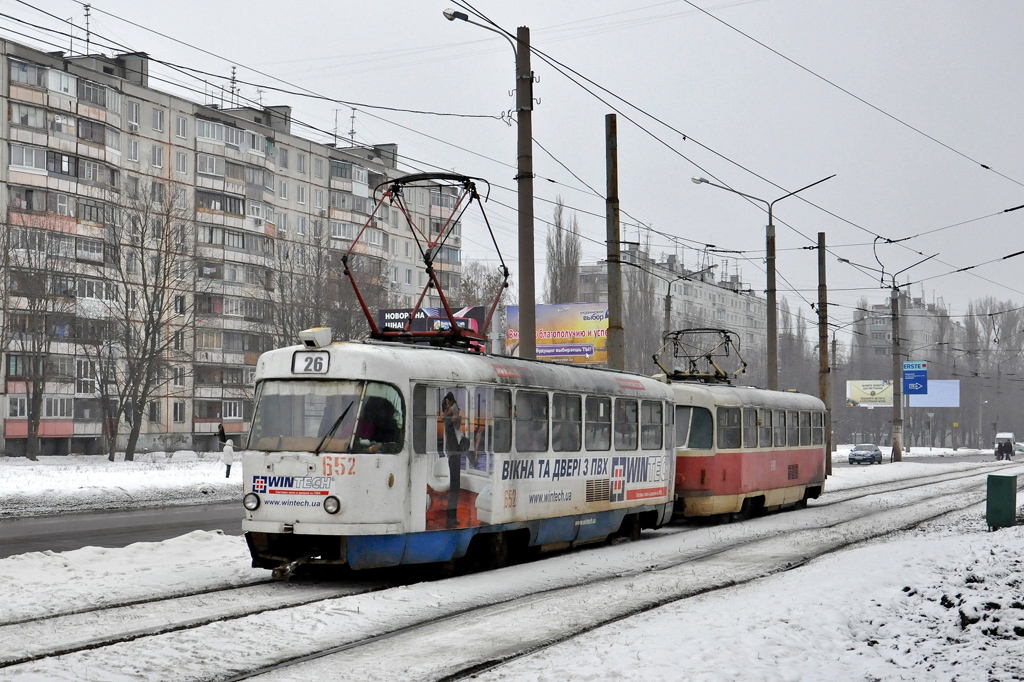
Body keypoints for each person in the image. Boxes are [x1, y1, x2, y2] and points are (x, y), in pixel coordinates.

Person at [440, 391, 465, 528]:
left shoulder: (447, 417)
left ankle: (451, 516)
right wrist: (454, 410)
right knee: (455, 487)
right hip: (454, 453)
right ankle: (450, 518)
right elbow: (456, 422)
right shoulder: (448, 417)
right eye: (448, 404)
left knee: (455, 487)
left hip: (453, 453)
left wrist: (454, 410)